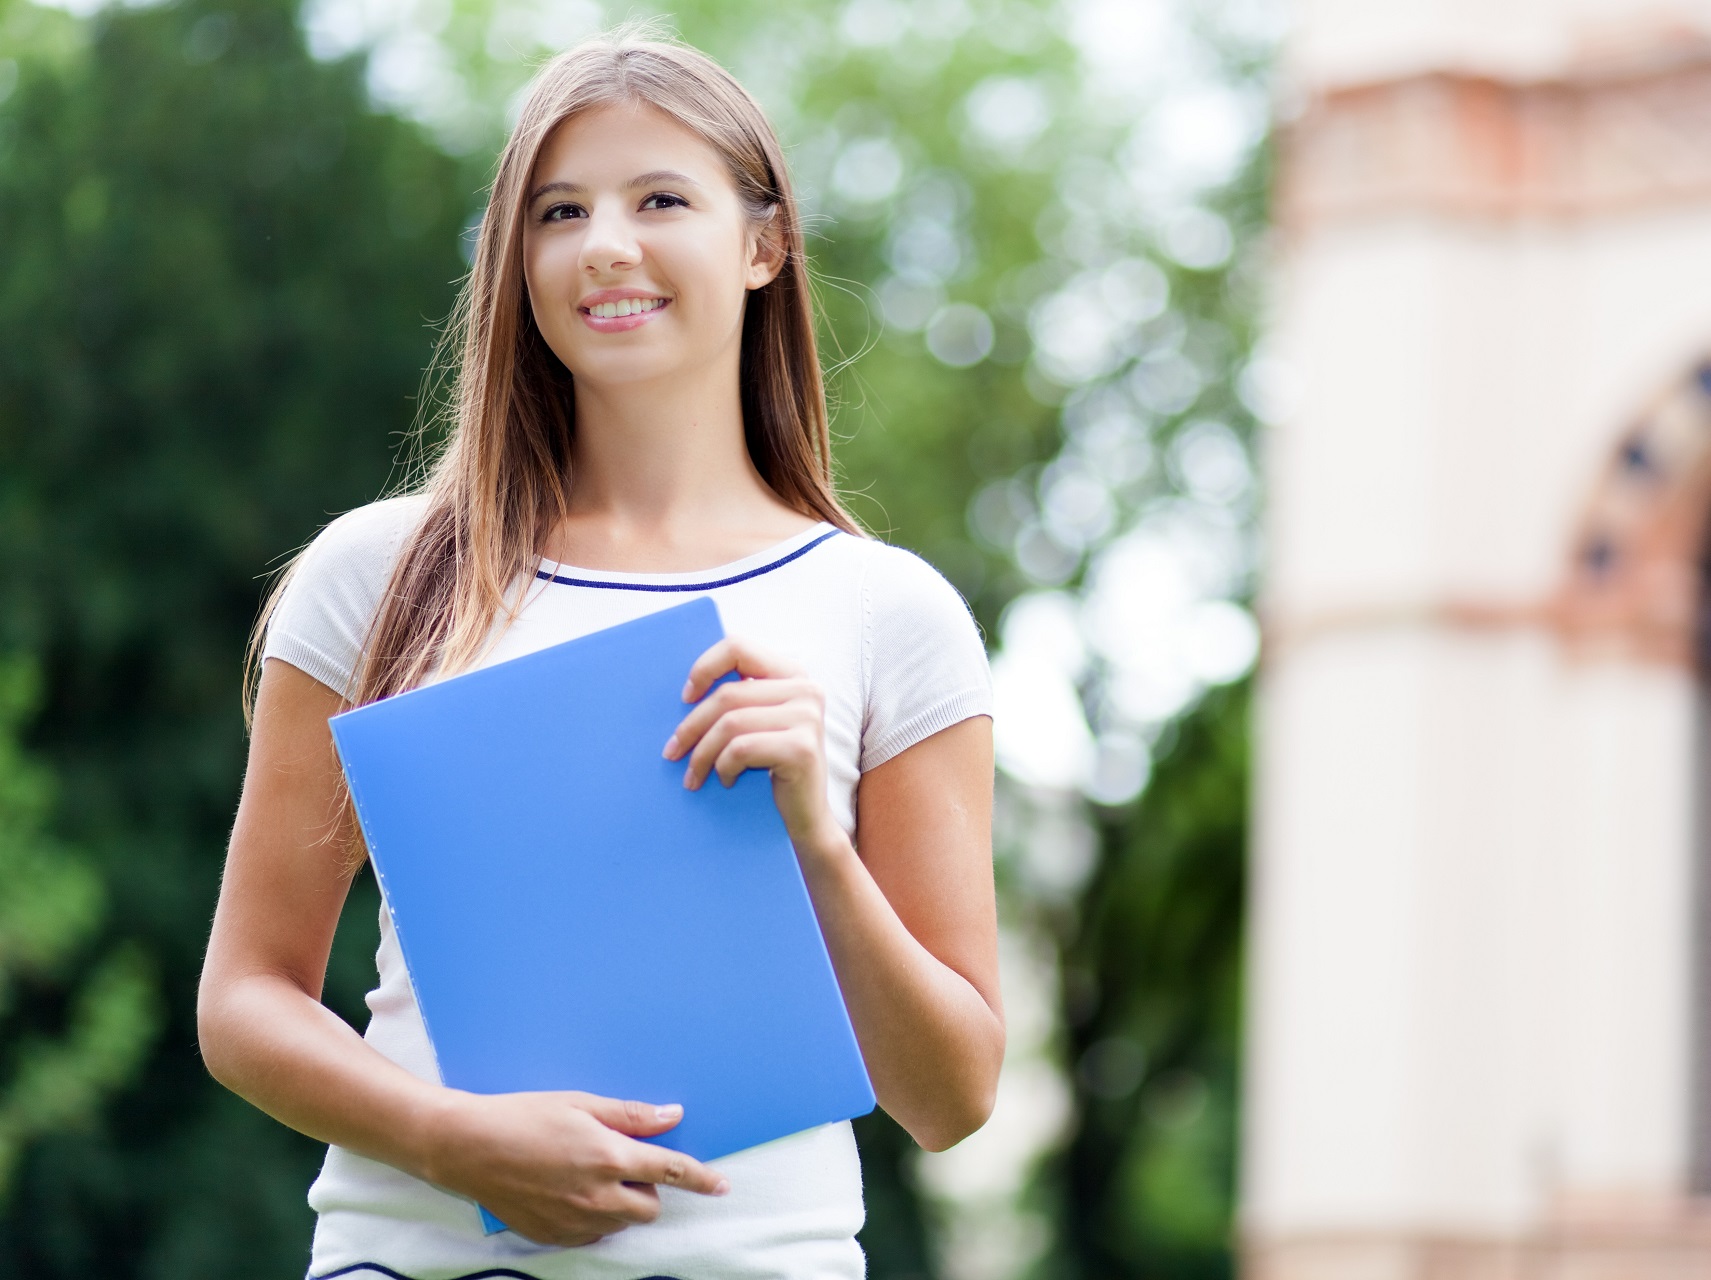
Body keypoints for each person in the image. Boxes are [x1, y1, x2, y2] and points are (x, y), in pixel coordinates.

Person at [196, 27, 1003, 1280]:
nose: (605, 245)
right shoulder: (383, 573)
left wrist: (817, 845)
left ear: (762, 243)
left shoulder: (882, 611)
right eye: (557, 211)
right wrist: (453, 1138)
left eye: (660, 198)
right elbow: (244, 997)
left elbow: (951, 1097)